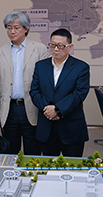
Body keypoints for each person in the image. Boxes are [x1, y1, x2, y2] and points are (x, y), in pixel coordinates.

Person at [0, 10, 50, 155]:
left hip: (32, 107)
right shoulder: (0, 52)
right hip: (9, 109)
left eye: (16, 27)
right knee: (10, 152)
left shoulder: (39, 49)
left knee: (33, 151)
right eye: (9, 28)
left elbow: (45, 81)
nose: (12, 31)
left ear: (26, 28)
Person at [30, 28, 90, 157]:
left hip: (71, 128)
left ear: (70, 47)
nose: (56, 49)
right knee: (48, 166)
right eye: (52, 45)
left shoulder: (81, 67)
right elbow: (34, 91)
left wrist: (57, 110)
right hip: (47, 127)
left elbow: (79, 93)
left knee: (72, 166)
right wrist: (48, 109)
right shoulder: (40, 66)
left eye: (60, 46)